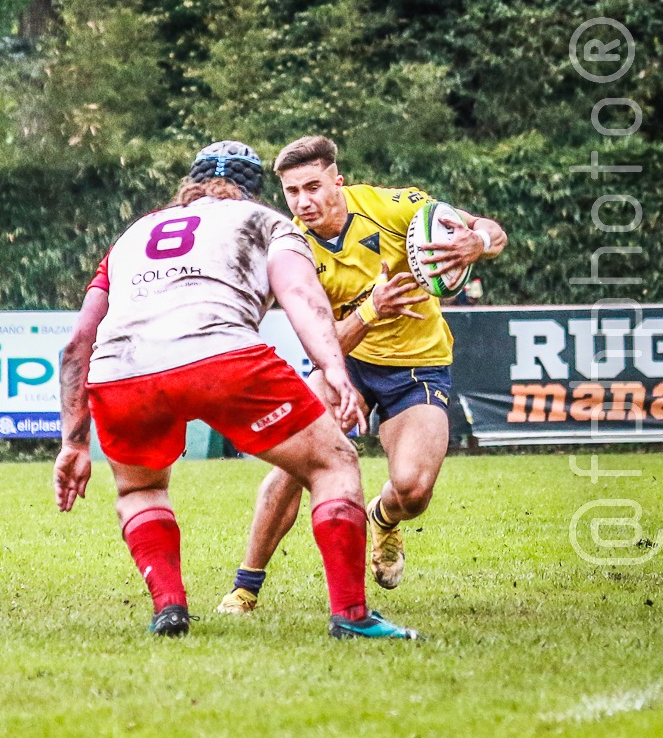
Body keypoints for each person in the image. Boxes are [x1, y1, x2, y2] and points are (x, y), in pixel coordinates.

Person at [54, 140, 418, 640]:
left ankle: (170, 607)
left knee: (140, 487)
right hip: (220, 357)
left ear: (190, 186)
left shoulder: (132, 235)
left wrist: (73, 442)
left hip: (121, 371)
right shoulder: (266, 222)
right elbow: (300, 296)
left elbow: (78, 343)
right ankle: (351, 616)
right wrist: (335, 369)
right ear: (254, 189)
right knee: (333, 462)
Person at [217, 135, 507, 615]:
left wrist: (475, 242)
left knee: (413, 490)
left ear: (338, 180)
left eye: (314, 186)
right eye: (292, 192)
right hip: (345, 365)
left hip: (419, 366)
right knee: (294, 465)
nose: (304, 201)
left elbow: (488, 231)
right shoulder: (290, 246)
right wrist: (372, 310)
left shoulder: (395, 207)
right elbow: (323, 343)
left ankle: (383, 516)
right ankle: (245, 588)